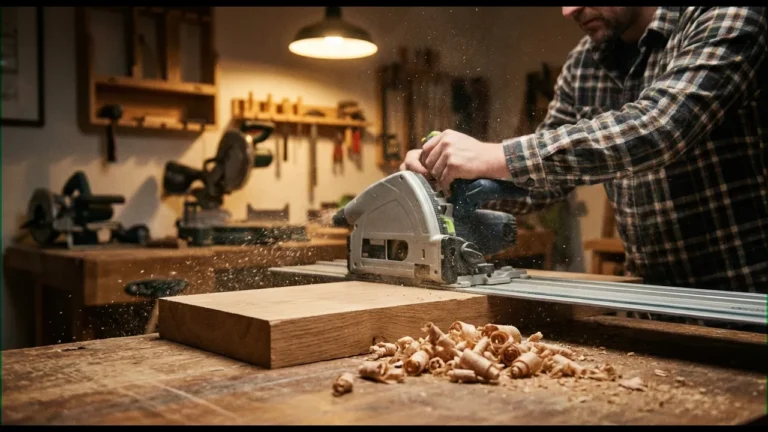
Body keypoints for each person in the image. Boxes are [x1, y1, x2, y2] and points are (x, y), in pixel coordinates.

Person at [401, 7, 768, 295]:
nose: (568, 10)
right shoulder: (584, 64)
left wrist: (497, 156)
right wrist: (451, 178)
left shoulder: (726, 14)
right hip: (651, 295)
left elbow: (660, 127)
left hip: (745, 293)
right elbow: (543, 181)